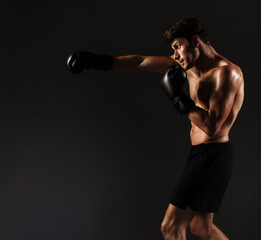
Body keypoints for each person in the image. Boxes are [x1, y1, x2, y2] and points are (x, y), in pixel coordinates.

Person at [67, 18, 244, 240]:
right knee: (201, 228)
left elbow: (212, 126)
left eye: (178, 47)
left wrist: (178, 98)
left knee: (170, 227)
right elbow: (139, 62)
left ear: (195, 41)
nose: (176, 55)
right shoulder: (187, 65)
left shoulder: (227, 73)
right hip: (204, 155)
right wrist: (98, 61)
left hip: (211, 155)